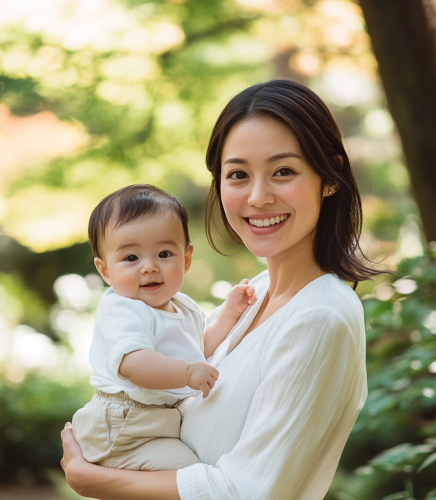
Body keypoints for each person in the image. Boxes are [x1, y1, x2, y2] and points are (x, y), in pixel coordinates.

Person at [61, 79, 381, 500]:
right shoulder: (257, 294)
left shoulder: (319, 318)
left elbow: (246, 491)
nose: (258, 196)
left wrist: (93, 479)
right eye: (238, 174)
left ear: (330, 176)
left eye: (283, 171)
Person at [72, 184, 257, 472]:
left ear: (185, 259)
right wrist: (187, 373)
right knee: (188, 476)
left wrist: (229, 314)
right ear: (105, 270)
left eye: (164, 254)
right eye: (131, 258)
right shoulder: (122, 308)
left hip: (156, 422)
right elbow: (134, 364)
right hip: (126, 426)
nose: (149, 267)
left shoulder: (183, 305)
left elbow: (197, 348)